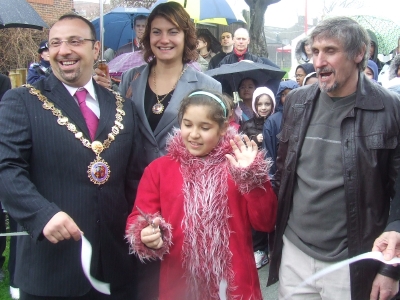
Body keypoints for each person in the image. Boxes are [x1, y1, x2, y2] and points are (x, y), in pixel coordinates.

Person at [0, 13, 142, 300]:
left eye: (74, 41)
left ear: (95, 48)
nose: (63, 50)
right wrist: (42, 214)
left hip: (117, 271)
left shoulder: (123, 107)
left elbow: (135, 178)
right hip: (52, 272)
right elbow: (7, 168)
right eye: (55, 43)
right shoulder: (22, 101)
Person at [267, 16, 400, 300]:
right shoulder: (297, 101)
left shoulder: (389, 109)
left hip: (353, 262)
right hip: (295, 253)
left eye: (330, 50)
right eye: (315, 52)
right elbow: (282, 175)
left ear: (358, 53)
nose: (318, 62)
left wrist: (391, 269)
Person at [125, 89, 277, 300]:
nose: (194, 134)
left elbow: (265, 222)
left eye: (205, 127)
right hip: (179, 287)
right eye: (187, 125)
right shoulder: (159, 170)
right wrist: (145, 233)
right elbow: (139, 216)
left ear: (224, 128)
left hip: (236, 285)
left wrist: (253, 178)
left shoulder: (239, 166)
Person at [262, 80, 298, 177]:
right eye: (284, 94)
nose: (288, 97)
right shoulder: (272, 122)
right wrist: (272, 178)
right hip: (279, 176)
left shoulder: (304, 117)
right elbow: (268, 153)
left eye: (292, 93)